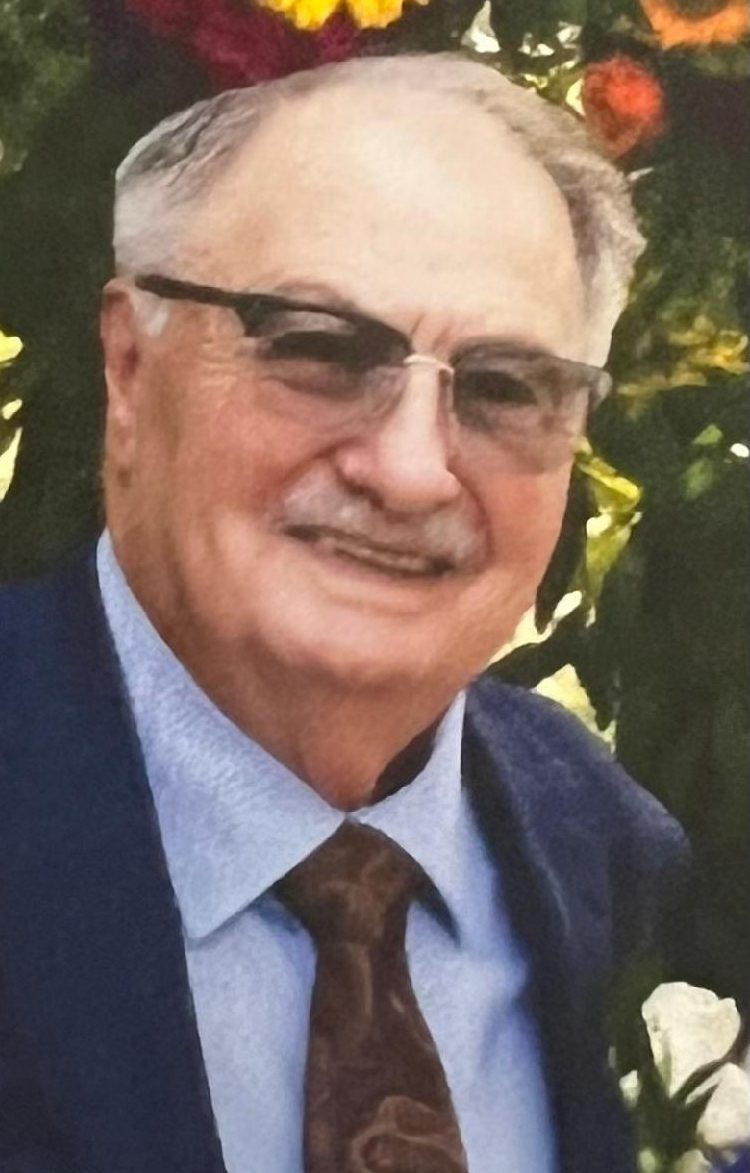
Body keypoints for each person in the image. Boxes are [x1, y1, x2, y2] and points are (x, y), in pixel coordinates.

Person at [0, 52, 689, 1173]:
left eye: (504, 386)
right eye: (320, 349)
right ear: (129, 369)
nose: (411, 471)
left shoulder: (609, 850)